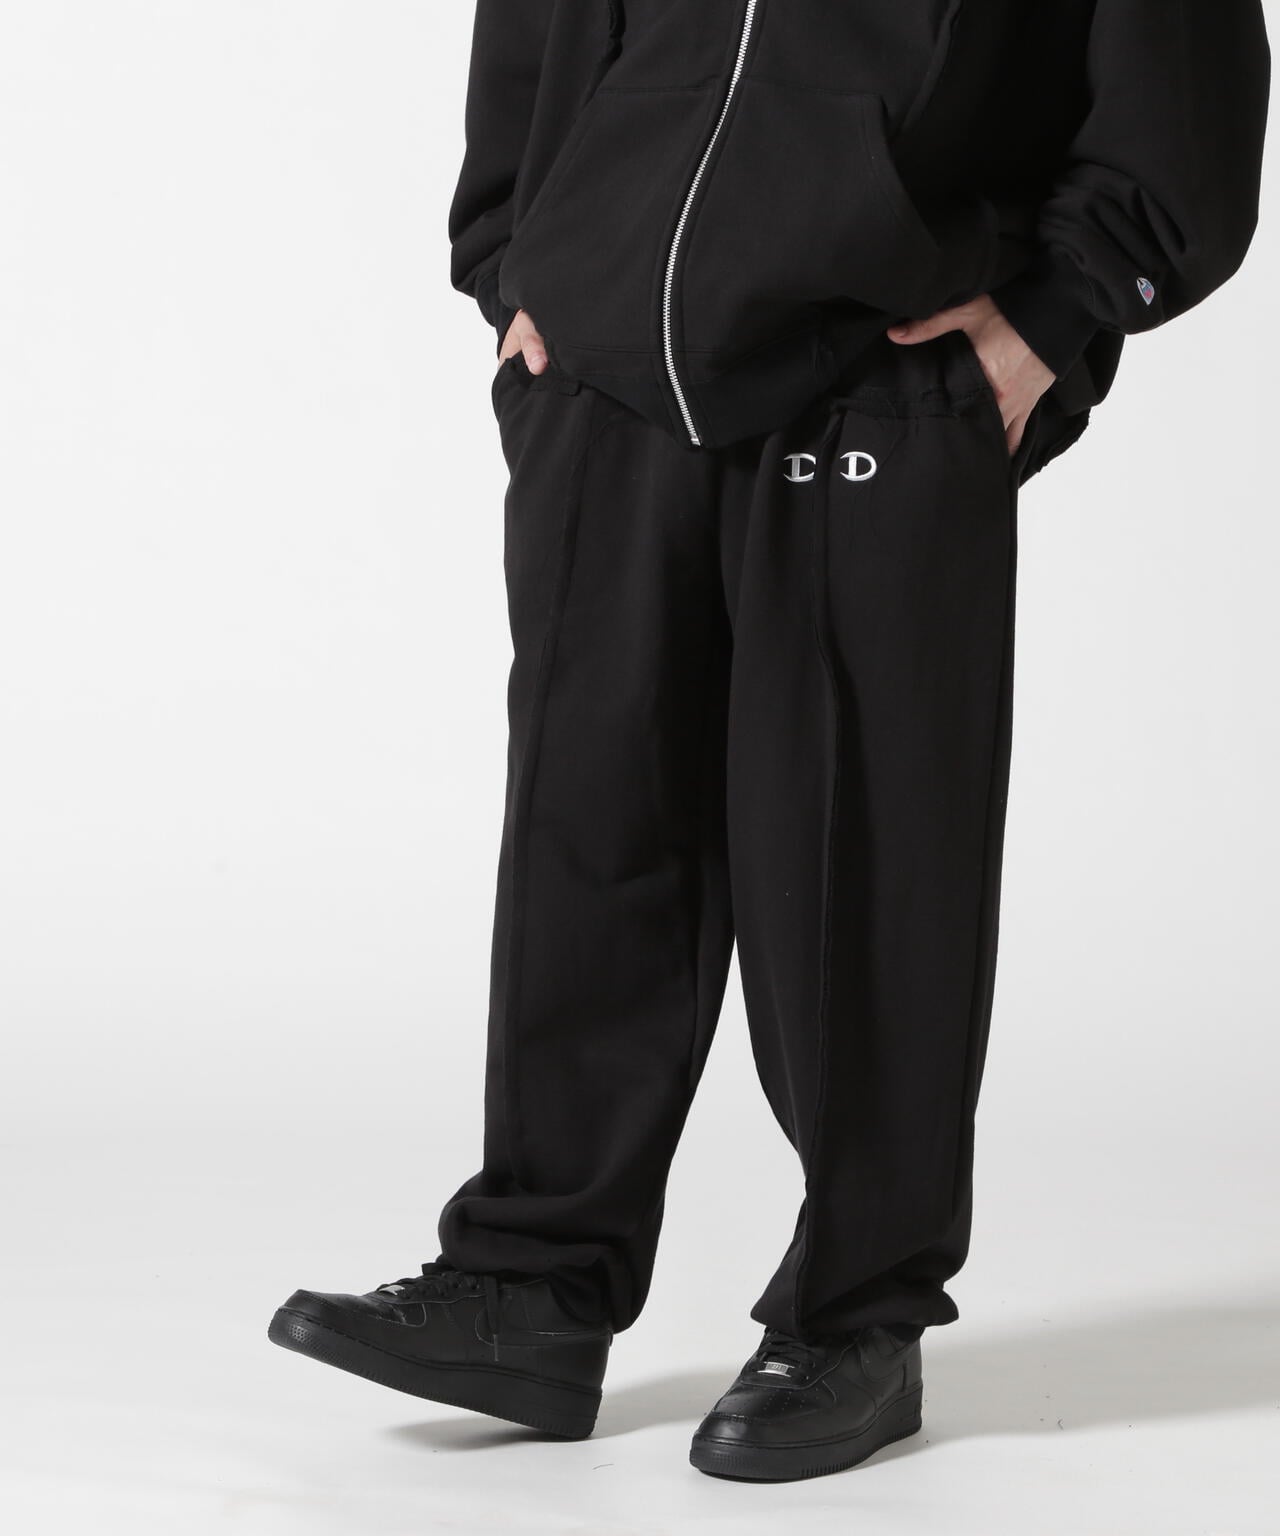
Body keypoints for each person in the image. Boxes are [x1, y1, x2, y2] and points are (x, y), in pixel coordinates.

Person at [270, 0, 1271, 1482]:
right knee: (589, 825)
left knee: (860, 850)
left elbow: (1180, 70)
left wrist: (1055, 318)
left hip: (888, 359)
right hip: (606, 364)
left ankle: (855, 1315)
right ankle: (532, 1288)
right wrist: (516, 262)